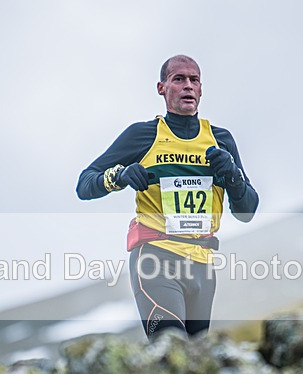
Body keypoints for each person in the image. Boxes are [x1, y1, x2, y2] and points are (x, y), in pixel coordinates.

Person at [77, 54, 259, 339]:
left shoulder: (220, 140)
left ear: (201, 89)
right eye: (179, 79)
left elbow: (247, 211)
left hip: (202, 265)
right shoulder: (144, 135)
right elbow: (84, 185)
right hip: (155, 260)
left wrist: (233, 176)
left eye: (193, 80)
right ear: (162, 88)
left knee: (196, 362)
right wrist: (119, 177)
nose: (188, 86)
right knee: (172, 350)